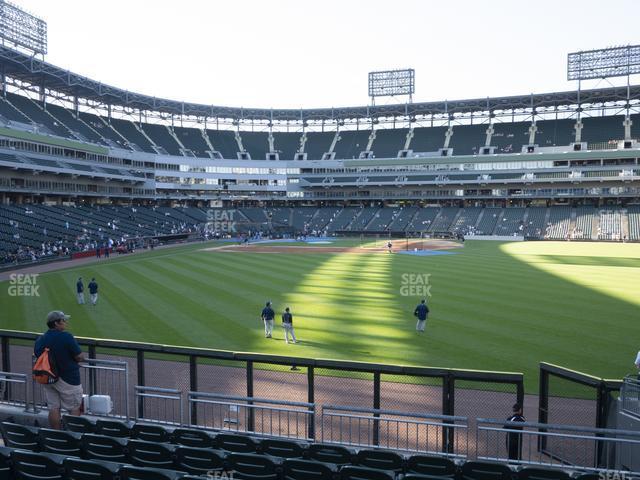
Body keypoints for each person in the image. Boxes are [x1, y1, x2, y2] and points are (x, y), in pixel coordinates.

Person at [34, 311, 85, 430]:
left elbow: (37, 354)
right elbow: (79, 356)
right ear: (56, 323)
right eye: (63, 320)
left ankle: (56, 435)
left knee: (54, 407)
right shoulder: (66, 336)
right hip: (68, 379)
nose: (65, 323)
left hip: (48, 378)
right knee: (74, 407)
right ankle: (73, 437)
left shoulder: (41, 338)